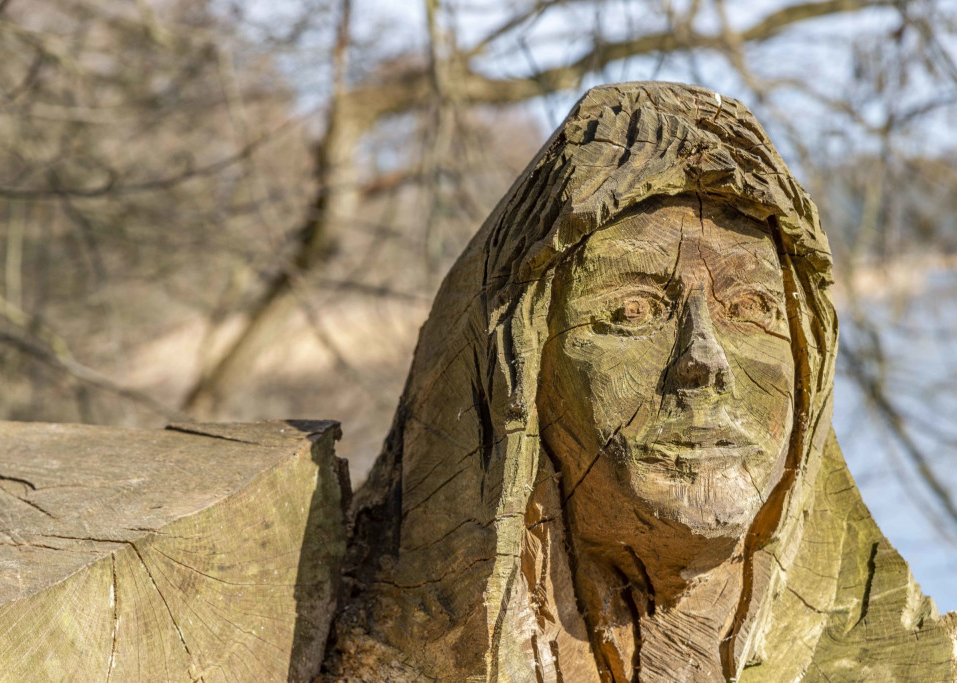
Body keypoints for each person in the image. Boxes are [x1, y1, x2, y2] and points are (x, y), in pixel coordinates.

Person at [325, 82, 956, 682]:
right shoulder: (354, 651)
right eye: (631, 313)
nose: (703, 360)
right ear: (520, 371)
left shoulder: (906, 654)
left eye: (753, 309)